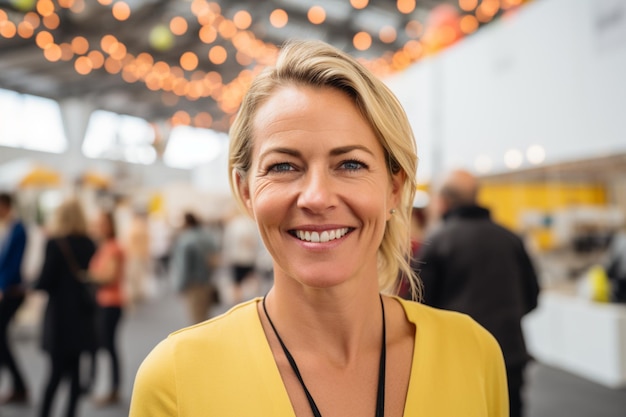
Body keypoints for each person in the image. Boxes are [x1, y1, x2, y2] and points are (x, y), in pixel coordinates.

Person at [129, 39, 508, 416]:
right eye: (283, 166)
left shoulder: (473, 353)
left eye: (350, 165)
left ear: (394, 188)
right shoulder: (177, 379)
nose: (316, 197)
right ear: (246, 191)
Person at [414, 168, 541, 417]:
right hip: (509, 354)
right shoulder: (511, 238)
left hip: (457, 359)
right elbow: (533, 296)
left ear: (442, 202)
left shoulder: (437, 242)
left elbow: (418, 307)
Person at [34, 198, 97, 417]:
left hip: (60, 316)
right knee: (76, 372)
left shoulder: (55, 243)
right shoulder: (90, 243)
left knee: (54, 374)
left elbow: (44, 282)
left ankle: (44, 413)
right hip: (83, 314)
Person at [88, 210, 126, 406]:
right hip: (103, 301)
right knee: (105, 346)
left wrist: (87, 276)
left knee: (108, 347)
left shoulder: (114, 247)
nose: (98, 227)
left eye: (101, 223)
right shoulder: (103, 246)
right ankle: (109, 387)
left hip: (111, 303)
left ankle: (112, 388)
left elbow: (110, 277)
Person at [0, 192, 29, 405]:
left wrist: (2, 287)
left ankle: (19, 386)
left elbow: (14, 264)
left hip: (11, 291)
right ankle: (18, 386)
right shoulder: (5, 227)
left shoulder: (18, 229)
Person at [169, 212, 221, 324]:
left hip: (193, 284)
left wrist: (180, 286)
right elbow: (215, 258)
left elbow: (184, 267)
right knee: (206, 317)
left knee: (196, 320)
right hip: (207, 281)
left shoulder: (186, 240)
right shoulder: (207, 236)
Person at [222, 210, 261, 303]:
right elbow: (254, 242)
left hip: (237, 258)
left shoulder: (233, 225)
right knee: (252, 279)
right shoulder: (249, 224)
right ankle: (257, 300)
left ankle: (238, 302)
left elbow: (227, 243)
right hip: (249, 257)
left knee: (237, 283)